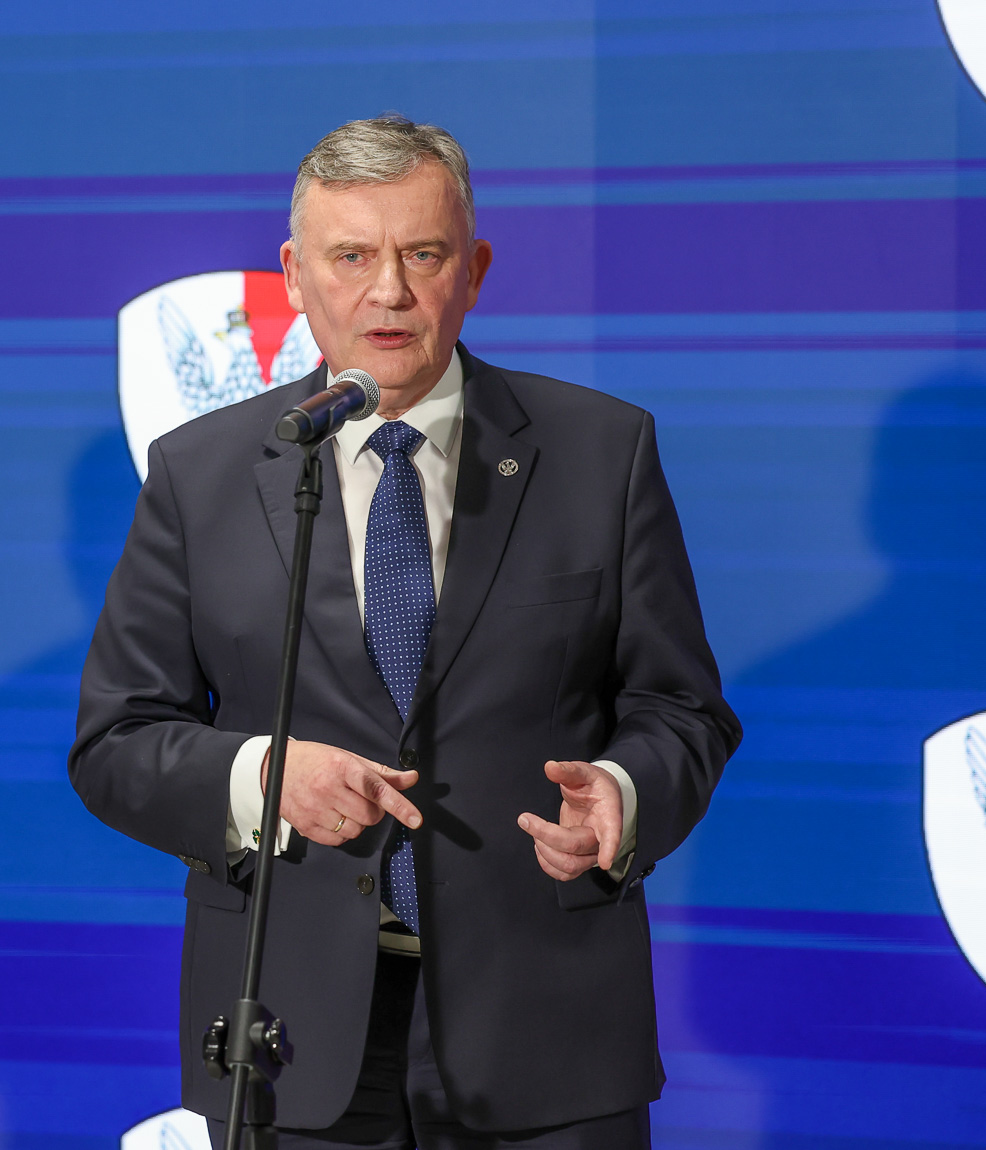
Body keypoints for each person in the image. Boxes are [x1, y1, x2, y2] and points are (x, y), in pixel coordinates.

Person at [71, 117, 740, 1148]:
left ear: (472, 270)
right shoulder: (199, 476)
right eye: (351, 257)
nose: (387, 291)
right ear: (294, 275)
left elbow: (680, 707)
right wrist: (260, 778)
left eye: (421, 254)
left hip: (547, 1031)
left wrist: (621, 793)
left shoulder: (599, 453)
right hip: (292, 1035)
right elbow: (116, 740)